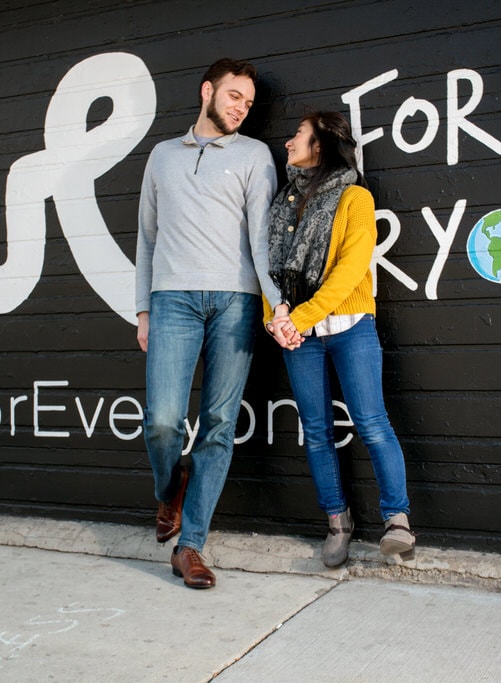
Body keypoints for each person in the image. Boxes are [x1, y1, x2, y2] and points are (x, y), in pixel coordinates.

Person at [135, 58, 283, 589]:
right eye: (234, 96)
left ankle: (190, 545)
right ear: (207, 92)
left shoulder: (256, 156)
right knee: (162, 421)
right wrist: (143, 308)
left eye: (248, 101)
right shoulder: (161, 156)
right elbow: (147, 237)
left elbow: (263, 238)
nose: (242, 107)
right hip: (172, 299)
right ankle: (170, 484)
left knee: (219, 426)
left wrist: (275, 305)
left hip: (236, 303)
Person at [265, 111, 415, 568]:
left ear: (322, 144)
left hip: (350, 327)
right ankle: (337, 522)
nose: (289, 142)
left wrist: (302, 316)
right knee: (315, 431)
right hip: (298, 335)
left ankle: (398, 522)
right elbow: (266, 264)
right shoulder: (283, 203)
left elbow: (351, 268)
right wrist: (277, 317)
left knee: (372, 423)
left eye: (299, 134)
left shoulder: (355, 199)